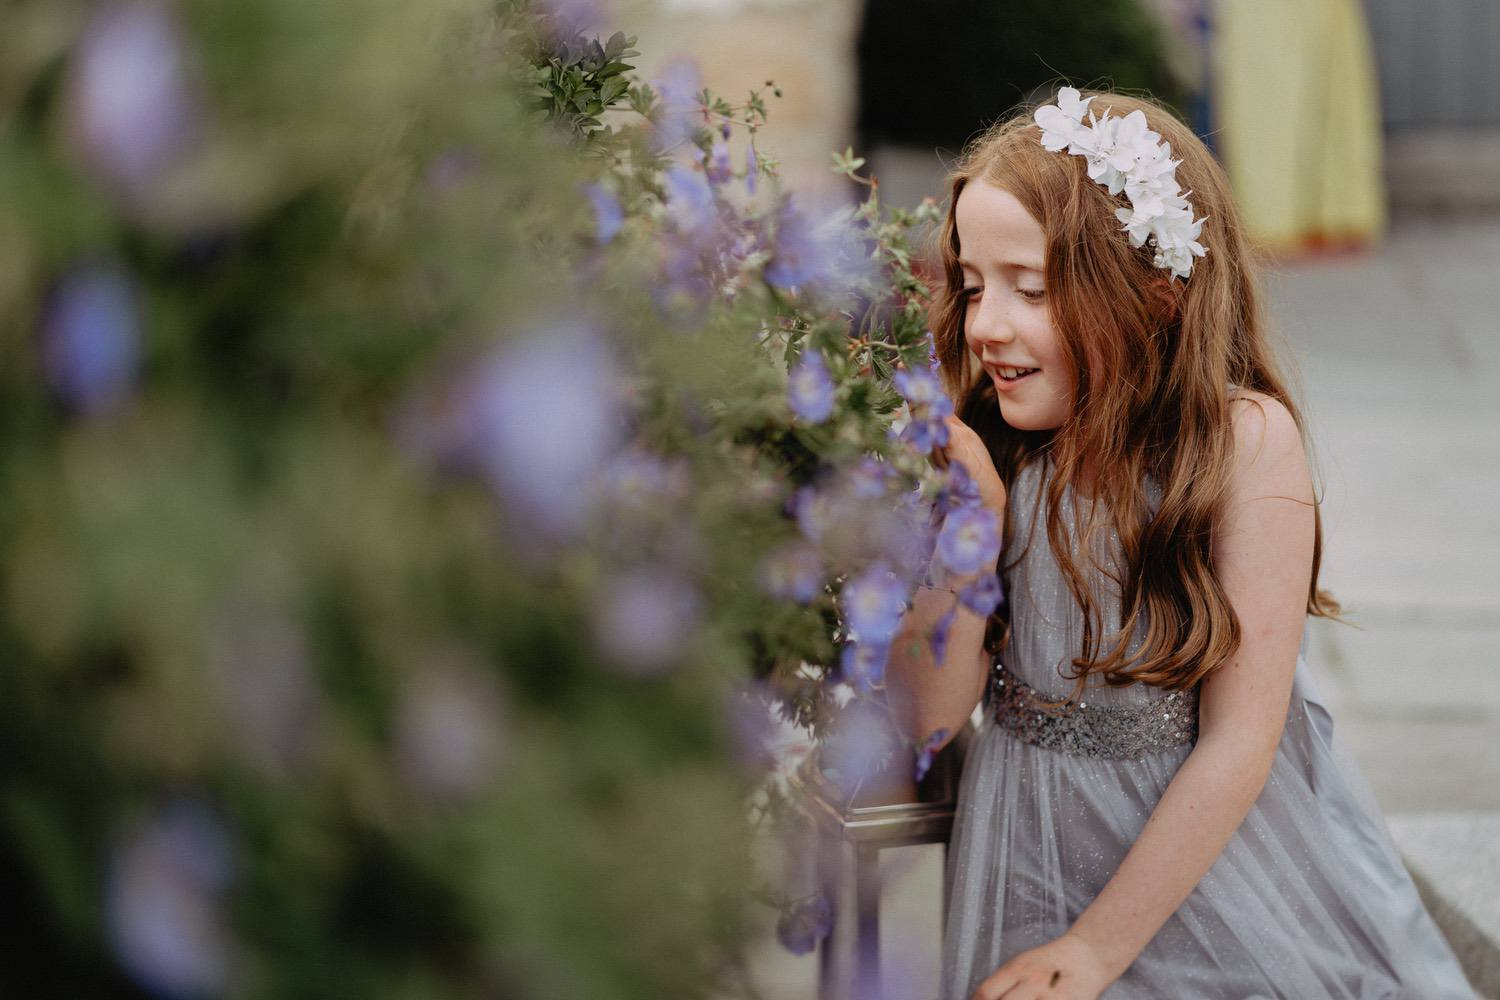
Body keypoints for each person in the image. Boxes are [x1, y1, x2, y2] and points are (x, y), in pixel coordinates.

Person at [882, 88, 1477, 999]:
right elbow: (928, 720)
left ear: (1154, 297)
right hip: (1026, 861)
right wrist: (965, 534)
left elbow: (1241, 741)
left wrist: (1096, 950)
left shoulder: (1241, 446)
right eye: (969, 285)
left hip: (1208, 869)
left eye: (1031, 288)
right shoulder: (995, 449)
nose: (984, 325)